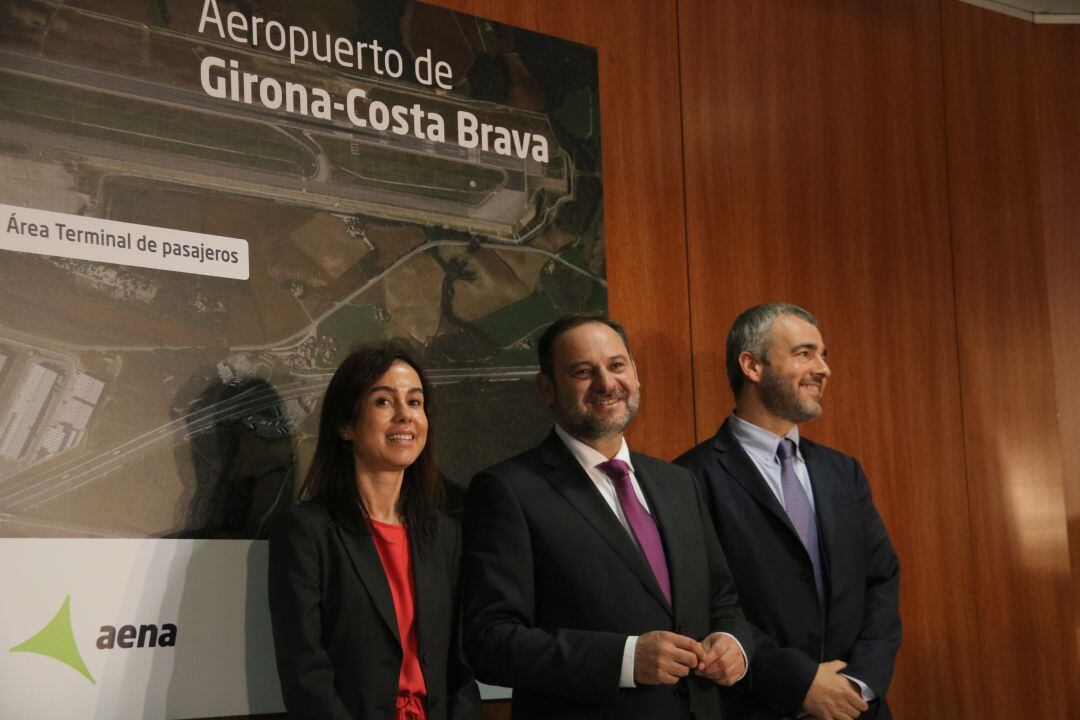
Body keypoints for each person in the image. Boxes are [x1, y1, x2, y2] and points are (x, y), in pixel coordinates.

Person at [463, 313, 753, 720]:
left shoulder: (678, 482)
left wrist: (733, 643)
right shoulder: (507, 491)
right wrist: (626, 659)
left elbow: (723, 602)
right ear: (547, 388)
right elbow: (489, 642)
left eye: (617, 366)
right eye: (583, 371)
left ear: (635, 374)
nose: (606, 383)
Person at [675, 303, 901, 720]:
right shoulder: (687, 479)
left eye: (823, 354)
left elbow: (881, 578)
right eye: (804, 354)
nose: (823, 369)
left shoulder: (843, 471)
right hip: (757, 706)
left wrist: (859, 681)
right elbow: (699, 606)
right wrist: (800, 683)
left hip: (857, 708)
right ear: (752, 365)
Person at [268, 345, 480, 720]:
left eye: (415, 403)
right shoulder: (305, 532)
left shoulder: (445, 535)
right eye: (384, 402)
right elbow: (305, 676)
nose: (405, 416)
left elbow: (460, 672)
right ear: (345, 425)